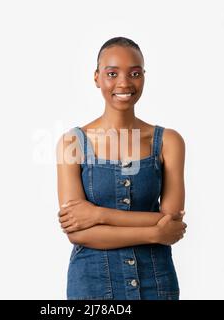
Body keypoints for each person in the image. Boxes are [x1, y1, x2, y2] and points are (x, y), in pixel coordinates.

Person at [56, 36, 187, 300]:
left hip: (156, 281)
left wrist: (97, 215)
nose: (124, 83)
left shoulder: (168, 141)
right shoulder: (72, 143)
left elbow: (172, 223)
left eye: (135, 73)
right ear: (96, 78)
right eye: (112, 73)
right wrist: (154, 231)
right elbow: (77, 233)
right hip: (92, 283)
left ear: (144, 76)